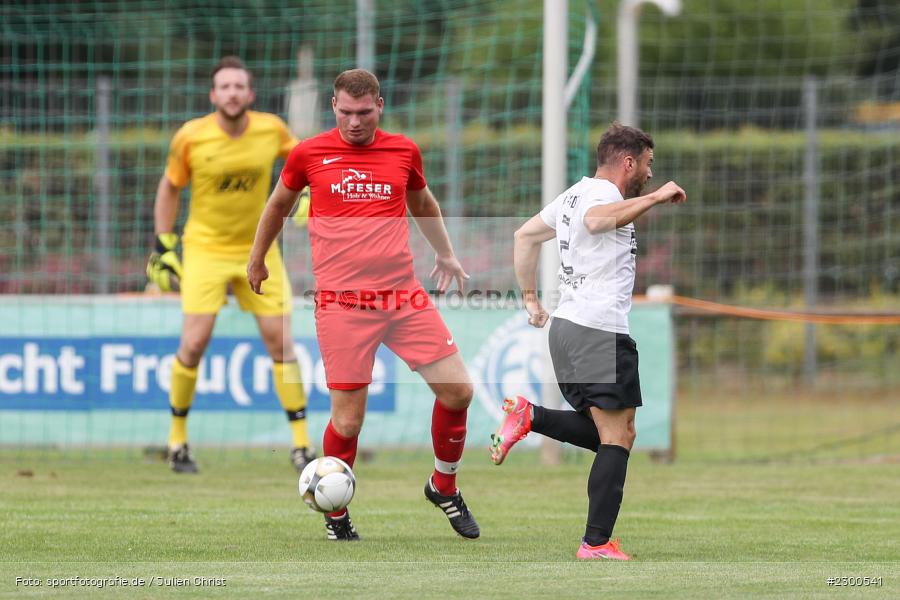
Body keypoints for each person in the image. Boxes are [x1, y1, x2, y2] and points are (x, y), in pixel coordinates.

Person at [247, 68, 479, 542]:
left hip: (402, 295)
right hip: (341, 304)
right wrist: (257, 259)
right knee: (348, 420)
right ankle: (336, 516)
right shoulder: (309, 153)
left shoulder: (403, 150)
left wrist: (446, 253)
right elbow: (277, 206)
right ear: (333, 107)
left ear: (380, 106)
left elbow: (424, 203)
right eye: (346, 112)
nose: (355, 122)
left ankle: (443, 485)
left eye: (364, 112)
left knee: (458, 391)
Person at [492, 123, 686, 560]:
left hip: (566, 330)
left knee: (615, 434)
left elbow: (524, 235)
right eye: (649, 165)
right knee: (617, 436)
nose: (651, 175)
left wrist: (530, 299)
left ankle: (530, 416)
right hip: (599, 331)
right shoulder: (603, 199)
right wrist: (654, 199)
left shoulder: (573, 194)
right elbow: (597, 222)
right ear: (629, 162)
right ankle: (596, 543)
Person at [146, 56, 315, 475]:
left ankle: (301, 447)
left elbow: (306, 162)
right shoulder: (191, 137)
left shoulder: (271, 128)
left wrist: (310, 194)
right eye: (225, 86)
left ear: (250, 94)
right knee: (193, 344)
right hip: (204, 249)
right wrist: (163, 245)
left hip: (259, 248)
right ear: (213, 95)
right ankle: (177, 442)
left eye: (240, 86)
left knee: (281, 344)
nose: (233, 92)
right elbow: (168, 188)